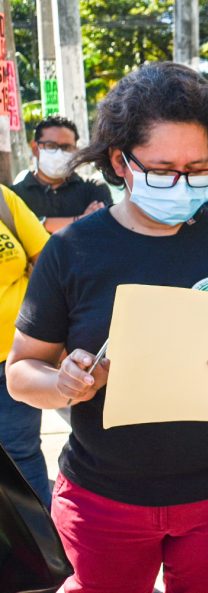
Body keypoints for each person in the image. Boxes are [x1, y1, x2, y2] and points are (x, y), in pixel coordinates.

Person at [5, 62, 208, 593]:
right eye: (163, 170)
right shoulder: (74, 250)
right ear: (121, 161)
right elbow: (21, 371)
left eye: (198, 169)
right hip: (103, 500)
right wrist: (64, 384)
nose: (182, 185)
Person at [0, 185, 50, 506]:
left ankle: (38, 535)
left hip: (16, 360)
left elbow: (46, 259)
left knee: (21, 456)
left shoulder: (2, 199)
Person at [12, 116, 112, 233]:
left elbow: (102, 228)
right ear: (35, 148)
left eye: (66, 147)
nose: (59, 152)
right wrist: (80, 220)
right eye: (51, 145)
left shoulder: (94, 189)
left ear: (76, 150)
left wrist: (42, 223)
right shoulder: (15, 194)